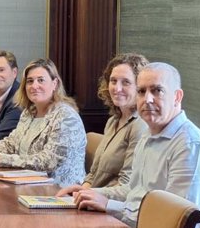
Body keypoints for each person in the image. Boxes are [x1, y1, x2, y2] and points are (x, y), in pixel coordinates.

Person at [74, 62, 200, 228]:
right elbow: (133, 190)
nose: (147, 99)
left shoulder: (190, 145)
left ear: (177, 97)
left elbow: (174, 218)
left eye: (157, 90)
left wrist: (109, 205)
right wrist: (90, 194)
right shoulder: (148, 135)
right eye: (142, 91)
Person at [0, 58, 86, 186]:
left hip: (59, 192)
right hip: (29, 184)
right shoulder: (29, 112)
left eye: (41, 80)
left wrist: (0, 159)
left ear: (55, 84)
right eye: (30, 81)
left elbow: (48, 161)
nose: (34, 86)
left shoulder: (66, 116)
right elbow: (11, 143)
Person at [57, 53, 149, 197]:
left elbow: (127, 185)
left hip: (112, 209)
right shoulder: (113, 121)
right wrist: (80, 192)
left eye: (126, 82)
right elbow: (93, 174)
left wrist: (85, 193)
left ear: (140, 87)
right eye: (113, 81)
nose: (117, 88)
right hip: (91, 199)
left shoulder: (140, 126)